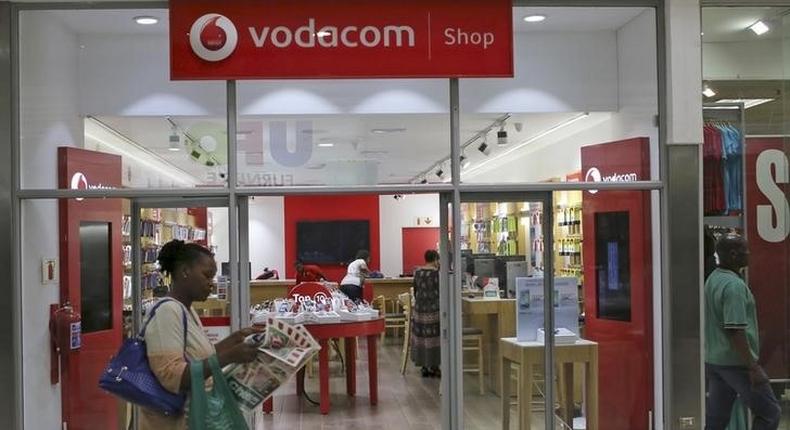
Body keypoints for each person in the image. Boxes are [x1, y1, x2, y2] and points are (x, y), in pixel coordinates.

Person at [140, 239, 261, 430]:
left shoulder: (186, 311)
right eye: (207, 275)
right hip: (176, 422)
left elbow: (198, 358)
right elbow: (173, 377)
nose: (211, 283)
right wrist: (229, 356)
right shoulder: (167, 313)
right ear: (185, 271)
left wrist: (234, 340)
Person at [704, 234, 781, 430]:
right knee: (770, 413)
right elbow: (735, 329)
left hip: (716, 362)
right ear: (733, 254)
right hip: (737, 363)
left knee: (717, 420)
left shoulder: (714, 278)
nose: (749, 253)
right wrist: (753, 367)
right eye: (746, 250)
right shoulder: (734, 287)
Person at [411, 249, 441, 377]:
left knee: (421, 338)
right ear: (435, 259)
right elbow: (440, 290)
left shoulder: (417, 272)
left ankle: (424, 366)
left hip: (420, 309)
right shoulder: (437, 274)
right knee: (434, 338)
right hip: (433, 309)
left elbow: (415, 290)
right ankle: (434, 366)